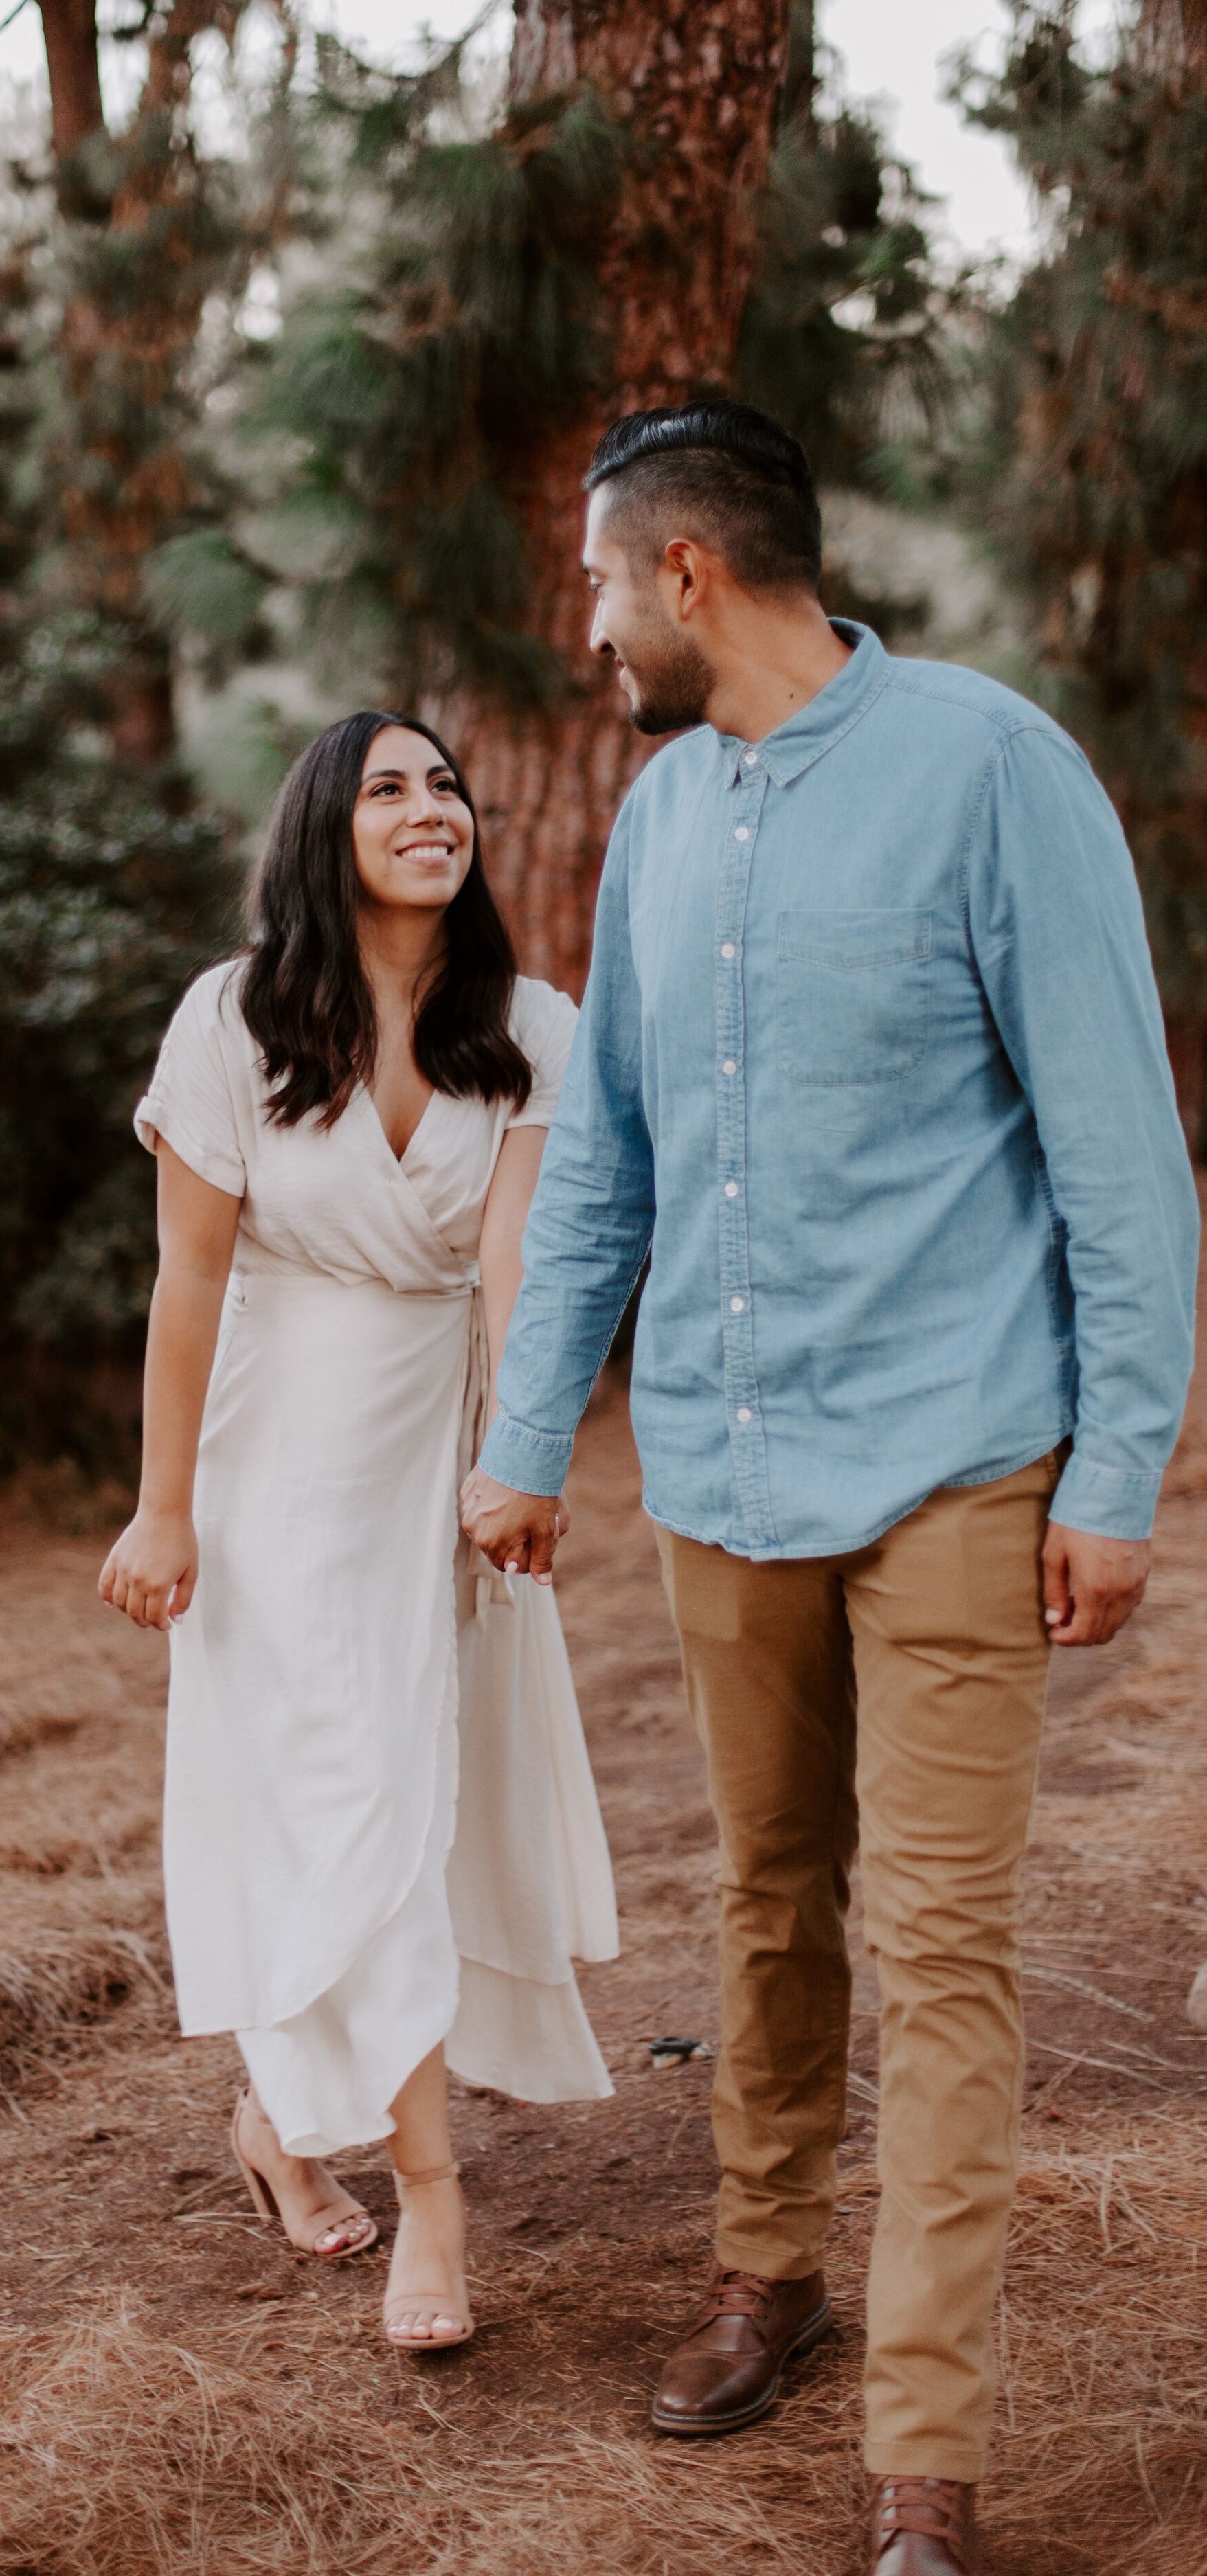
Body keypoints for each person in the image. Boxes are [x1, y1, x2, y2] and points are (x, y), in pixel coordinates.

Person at [460, 401, 1197, 2572]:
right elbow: (596, 1164)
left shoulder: (990, 766)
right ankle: (761, 2268)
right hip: (715, 1451)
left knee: (942, 1944)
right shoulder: (661, 817)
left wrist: (1118, 1465)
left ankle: (923, 2453)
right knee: (768, 1901)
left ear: (688, 572)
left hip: (959, 1457)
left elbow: (1115, 1154)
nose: (586, 626)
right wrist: (524, 1437)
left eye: (599, 582)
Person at [100, 710, 618, 2353]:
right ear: (325, 829)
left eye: (446, 785)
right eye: (388, 788)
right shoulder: (236, 1018)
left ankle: (280, 2123)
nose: (429, 810)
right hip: (278, 1472)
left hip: (439, 1458)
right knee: (344, 1799)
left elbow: (517, 1263)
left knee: (416, 1802)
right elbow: (186, 1281)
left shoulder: (526, 1024)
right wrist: (162, 1504)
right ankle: (432, 2202)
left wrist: (519, 1462)